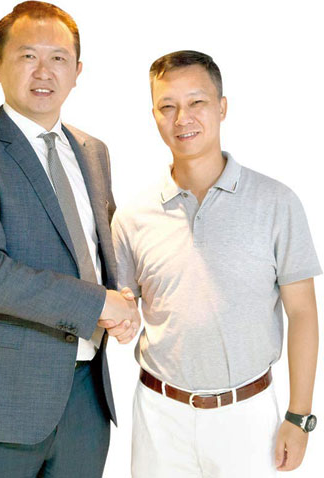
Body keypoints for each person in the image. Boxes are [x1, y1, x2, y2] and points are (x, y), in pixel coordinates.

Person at [0, 2, 140, 477]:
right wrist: (98, 304)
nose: (44, 71)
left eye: (59, 58)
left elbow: (94, 252)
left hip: (86, 400)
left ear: (77, 71)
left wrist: (123, 301)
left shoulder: (94, 151)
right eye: (27, 56)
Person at [111, 50, 321, 477]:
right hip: (159, 416)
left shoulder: (277, 203)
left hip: (248, 415)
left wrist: (299, 416)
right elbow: (121, 306)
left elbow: (302, 312)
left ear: (222, 107)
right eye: (167, 106)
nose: (182, 118)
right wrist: (119, 319)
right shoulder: (132, 217)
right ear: (154, 116)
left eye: (197, 102)